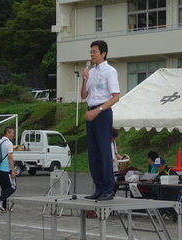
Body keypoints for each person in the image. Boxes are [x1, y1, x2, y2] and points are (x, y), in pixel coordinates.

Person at [81, 40, 120, 201]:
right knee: (93, 152)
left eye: (94, 52)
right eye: (90, 52)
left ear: (103, 53)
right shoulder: (92, 71)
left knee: (104, 151)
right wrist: (84, 79)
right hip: (91, 111)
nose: (92, 55)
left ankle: (108, 188)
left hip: (102, 112)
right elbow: (84, 95)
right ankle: (99, 187)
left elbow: (116, 96)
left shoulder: (110, 71)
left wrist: (98, 111)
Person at [0, 127, 17, 212]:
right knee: (12, 186)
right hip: (6, 168)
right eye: (12, 133)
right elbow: (10, 157)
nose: (13, 135)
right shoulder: (8, 143)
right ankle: (0, 200)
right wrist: (13, 170)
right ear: (7, 132)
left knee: (4, 188)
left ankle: (4, 206)